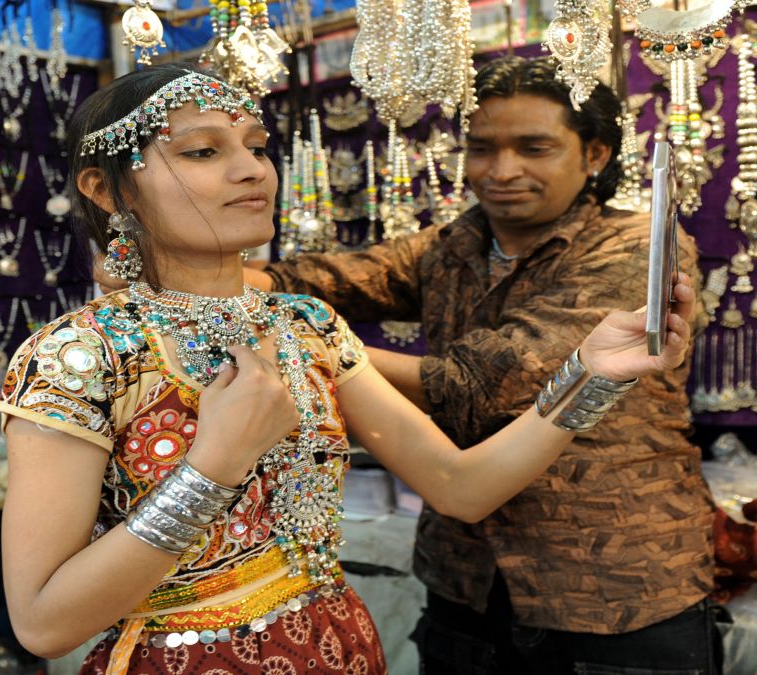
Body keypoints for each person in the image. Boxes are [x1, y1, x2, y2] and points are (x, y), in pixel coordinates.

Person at [0, 62, 696, 675]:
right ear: (108, 188)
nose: (253, 170)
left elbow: (461, 484)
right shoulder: (81, 355)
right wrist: (214, 466)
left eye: (258, 148)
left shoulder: (307, 326)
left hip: (336, 643)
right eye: (205, 151)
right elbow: (42, 624)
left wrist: (594, 372)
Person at [245, 56, 719, 674]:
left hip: (616, 588)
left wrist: (311, 342)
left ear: (595, 154)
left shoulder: (638, 249)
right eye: (482, 148)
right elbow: (313, 279)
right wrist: (181, 272)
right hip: (464, 583)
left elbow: (480, 385)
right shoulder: (452, 245)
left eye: (534, 148)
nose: (502, 171)